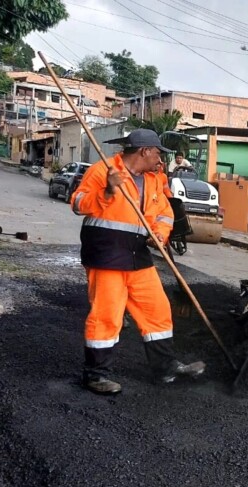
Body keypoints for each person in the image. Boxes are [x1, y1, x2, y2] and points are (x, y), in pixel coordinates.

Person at [70, 129, 205, 395]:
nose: (160, 159)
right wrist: (108, 190)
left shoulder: (154, 180)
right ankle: (96, 375)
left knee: (157, 310)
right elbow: (77, 204)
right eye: (157, 153)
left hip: (138, 255)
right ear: (144, 151)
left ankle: (165, 369)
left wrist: (160, 234)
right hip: (107, 254)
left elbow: (164, 213)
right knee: (107, 315)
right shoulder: (103, 170)